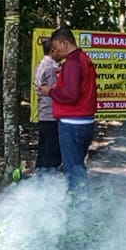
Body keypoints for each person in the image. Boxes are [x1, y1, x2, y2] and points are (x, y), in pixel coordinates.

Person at [39, 27, 97, 201]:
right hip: (85, 121)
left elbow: (71, 95)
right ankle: (81, 206)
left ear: (65, 43)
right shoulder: (83, 58)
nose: (55, 51)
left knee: (73, 171)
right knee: (78, 167)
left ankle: (79, 212)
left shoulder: (72, 62)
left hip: (73, 123)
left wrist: (50, 92)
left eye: (56, 47)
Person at [33, 38, 62, 173]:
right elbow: (57, 89)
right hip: (51, 113)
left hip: (44, 112)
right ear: (53, 50)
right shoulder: (52, 68)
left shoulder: (40, 65)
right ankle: (48, 179)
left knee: (43, 148)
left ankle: (39, 178)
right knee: (51, 150)